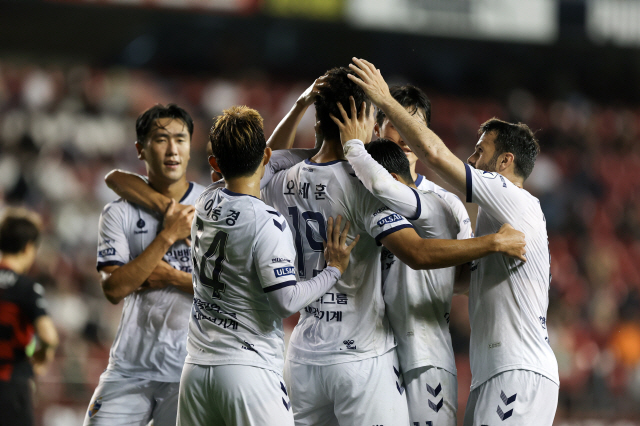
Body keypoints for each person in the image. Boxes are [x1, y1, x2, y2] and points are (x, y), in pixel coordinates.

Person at [261, 67, 527, 426]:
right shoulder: (368, 185)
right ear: (370, 123)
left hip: (409, 352)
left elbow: (268, 159)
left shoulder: (284, 178)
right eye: (388, 121)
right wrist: (493, 243)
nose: (403, 135)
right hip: (364, 353)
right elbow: (415, 252)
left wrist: (303, 105)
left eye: (413, 125)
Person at [347, 57, 559, 426]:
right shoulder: (497, 218)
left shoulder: (510, 197)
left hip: (514, 368)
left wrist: (381, 104)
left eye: (480, 152)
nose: (471, 159)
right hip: (491, 371)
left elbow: (434, 155)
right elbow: (460, 279)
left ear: (505, 161)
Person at [176, 105, 358, 426]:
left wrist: (300, 107)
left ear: (215, 164)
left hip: (196, 373)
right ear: (264, 156)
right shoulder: (266, 222)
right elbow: (285, 301)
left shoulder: (205, 200)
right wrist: (334, 270)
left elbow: (274, 160)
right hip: (247, 371)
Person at [84, 104, 205, 426]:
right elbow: (115, 288)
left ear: (191, 146)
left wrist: (173, 277)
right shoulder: (118, 212)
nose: (172, 149)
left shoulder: (212, 206)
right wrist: (167, 237)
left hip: (190, 368)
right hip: (129, 368)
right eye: (161, 139)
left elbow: (233, 293)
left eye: (180, 139)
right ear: (140, 149)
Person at [0, 209, 58, 426]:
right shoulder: (26, 287)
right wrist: (39, 362)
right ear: (28, 247)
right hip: (11, 383)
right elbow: (48, 336)